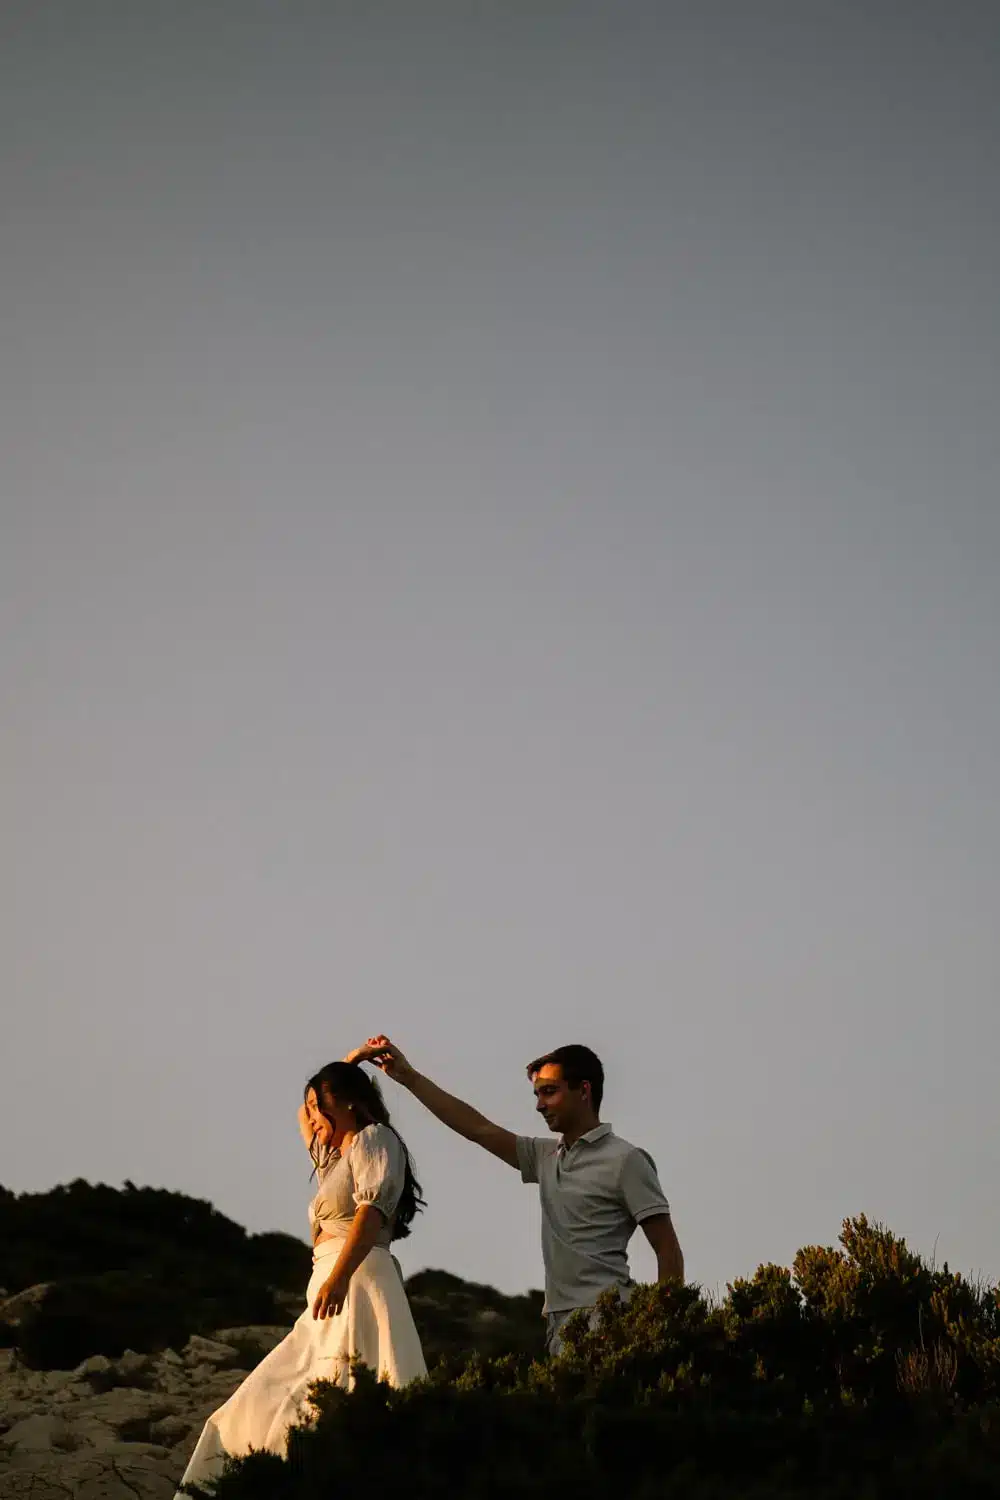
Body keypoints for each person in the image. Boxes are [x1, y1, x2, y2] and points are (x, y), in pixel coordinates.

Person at [176, 1059, 427, 1496]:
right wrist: (347, 1064)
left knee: (344, 1394)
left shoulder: (373, 1139)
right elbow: (301, 1117)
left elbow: (371, 1214)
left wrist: (340, 1278)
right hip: (331, 1281)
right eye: (310, 1106)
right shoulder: (333, 1158)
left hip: (357, 1279)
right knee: (276, 1403)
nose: (310, 1116)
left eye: (318, 1104)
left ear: (348, 1102)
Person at [353, 1036, 683, 1356]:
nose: (539, 1105)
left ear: (584, 1090)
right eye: (537, 1094)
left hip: (607, 1318)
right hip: (559, 1323)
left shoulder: (626, 1160)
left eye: (550, 1092)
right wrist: (408, 1077)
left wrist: (662, 1332)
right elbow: (478, 1129)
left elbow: (667, 1249)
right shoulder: (546, 1155)